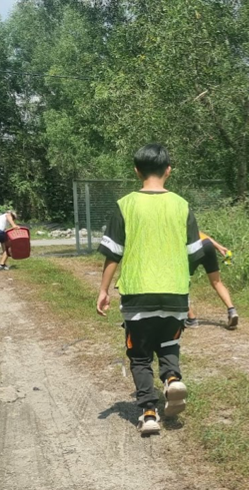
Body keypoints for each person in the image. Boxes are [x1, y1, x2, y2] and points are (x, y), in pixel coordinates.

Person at [96, 143, 205, 436]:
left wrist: (103, 290)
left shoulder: (125, 205)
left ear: (136, 171)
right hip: (175, 292)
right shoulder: (182, 205)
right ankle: (172, 380)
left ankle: (148, 413)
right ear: (168, 170)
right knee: (169, 344)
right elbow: (196, 253)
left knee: (140, 355)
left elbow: (113, 253)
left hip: (138, 294)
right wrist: (181, 277)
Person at [185, 231, 239, 329]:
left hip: (193, 249)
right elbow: (198, 232)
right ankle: (232, 310)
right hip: (207, 244)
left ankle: (191, 319)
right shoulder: (187, 222)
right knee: (217, 282)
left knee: (181, 285)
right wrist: (219, 247)